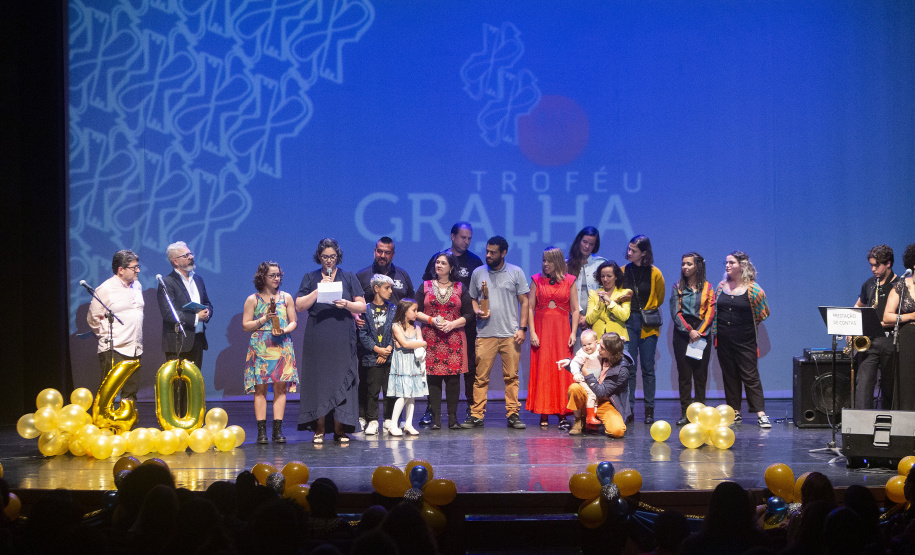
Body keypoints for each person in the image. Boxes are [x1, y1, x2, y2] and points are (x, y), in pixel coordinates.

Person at [295, 238, 366, 443]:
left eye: (332, 256)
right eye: (325, 256)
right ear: (319, 257)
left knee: (342, 375)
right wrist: (318, 290)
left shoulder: (348, 276)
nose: (328, 260)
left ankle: (339, 428)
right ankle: (319, 428)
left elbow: (362, 306)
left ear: (338, 256)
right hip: (318, 333)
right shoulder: (310, 277)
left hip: (342, 331)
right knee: (320, 380)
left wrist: (347, 304)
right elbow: (299, 305)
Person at [463, 236, 530, 430]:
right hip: (485, 333)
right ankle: (476, 415)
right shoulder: (478, 273)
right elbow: (473, 299)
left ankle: (513, 414)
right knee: (481, 377)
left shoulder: (516, 272)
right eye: (487, 251)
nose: (488, 255)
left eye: (492, 252)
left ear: (503, 253)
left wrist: (522, 328)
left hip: (510, 333)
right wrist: (476, 311)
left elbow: (524, 302)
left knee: (511, 376)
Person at [420, 221, 484, 424]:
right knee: (432, 375)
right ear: (452, 236)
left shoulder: (475, 261)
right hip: (432, 333)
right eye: (463, 237)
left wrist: (458, 321)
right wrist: (432, 319)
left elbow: (478, 294)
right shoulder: (431, 274)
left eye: (469, 238)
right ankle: (432, 411)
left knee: (466, 370)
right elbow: (419, 303)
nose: (466, 241)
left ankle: (466, 411)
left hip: (461, 328)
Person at [355, 237, 414, 430]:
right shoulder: (362, 275)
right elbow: (352, 303)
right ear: (374, 251)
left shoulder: (403, 275)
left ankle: (391, 418)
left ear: (393, 254)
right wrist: (355, 315)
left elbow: (410, 304)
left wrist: (390, 345)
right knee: (367, 383)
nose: (382, 255)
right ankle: (366, 417)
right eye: (379, 251)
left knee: (391, 385)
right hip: (369, 345)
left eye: (387, 252)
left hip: (394, 343)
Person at [712, 251, 771, 428]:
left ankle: (760, 413)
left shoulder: (754, 290)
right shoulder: (721, 286)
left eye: (732, 263)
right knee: (729, 375)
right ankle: (735, 412)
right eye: (726, 263)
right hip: (723, 339)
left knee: (750, 375)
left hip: (745, 340)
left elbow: (764, 313)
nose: (727, 265)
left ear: (743, 266)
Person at [415, 252, 473, 429]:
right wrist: (432, 320)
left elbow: (469, 314)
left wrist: (453, 324)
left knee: (453, 380)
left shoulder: (460, 288)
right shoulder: (425, 286)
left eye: (443, 263)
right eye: (437, 262)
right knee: (433, 378)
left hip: (453, 338)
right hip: (431, 338)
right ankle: (436, 419)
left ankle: (453, 419)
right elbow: (414, 311)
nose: (438, 265)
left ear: (451, 267)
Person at [242, 262, 297, 443]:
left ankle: (277, 431)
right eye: (272, 275)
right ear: (263, 277)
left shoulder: (286, 297)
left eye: (278, 275)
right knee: (261, 389)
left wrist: (284, 330)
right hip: (261, 344)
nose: (276, 279)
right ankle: (261, 432)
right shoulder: (253, 299)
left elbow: (293, 321)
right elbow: (246, 325)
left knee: (281, 389)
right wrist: (264, 318)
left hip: (282, 344)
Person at [156, 241, 213, 414]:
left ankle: (193, 422)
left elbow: (207, 303)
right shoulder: (167, 282)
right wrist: (196, 317)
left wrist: (208, 312)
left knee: (194, 385)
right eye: (186, 255)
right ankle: (178, 424)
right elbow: (168, 313)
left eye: (190, 254)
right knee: (178, 388)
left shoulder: (198, 279)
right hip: (178, 342)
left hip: (197, 339)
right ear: (175, 261)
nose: (191, 257)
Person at [527, 246, 579, 428]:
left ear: (557, 262)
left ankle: (562, 412)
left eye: (549, 260)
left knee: (562, 370)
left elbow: (575, 309)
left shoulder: (570, 281)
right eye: (543, 260)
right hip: (542, 329)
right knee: (544, 369)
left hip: (562, 329)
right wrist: (532, 332)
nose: (545, 264)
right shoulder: (536, 280)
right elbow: (530, 308)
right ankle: (544, 411)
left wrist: (573, 333)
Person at [87, 250, 145, 401]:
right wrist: (106, 334)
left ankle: (128, 422)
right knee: (108, 393)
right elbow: (93, 318)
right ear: (121, 270)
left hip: (135, 348)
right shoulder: (106, 289)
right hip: (114, 348)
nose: (138, 270)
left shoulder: (137, 286)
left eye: (138, 266)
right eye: (134, 267)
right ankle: (104, 424)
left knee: (131, 392)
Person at [622, 235, 665, 424]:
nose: (629, 253)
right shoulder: (623, 271)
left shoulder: (655, 273)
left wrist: (645, 310)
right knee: (629, 368)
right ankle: (629, 408)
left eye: (634, 250)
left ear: (644, 253)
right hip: (628, 321)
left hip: (648, 323)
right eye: (629, 249)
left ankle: (649, 410)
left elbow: (660, 297)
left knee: (648, 368)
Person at [669, 253, 715, 426]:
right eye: (683, 264)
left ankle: (701, 413)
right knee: (685, 375)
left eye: (689, 264)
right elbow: (675, 312)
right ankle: (685, 413)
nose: (685, 267)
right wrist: (689, 331)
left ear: (697, 266)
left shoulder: (708, 287)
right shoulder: (678, 286)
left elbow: (711, 312)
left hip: (702, 334)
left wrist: (699, 332)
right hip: (683, 333)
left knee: (700, 374)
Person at [851, 244, 898, 409]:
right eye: (871, 265)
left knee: (890, 386)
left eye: (876, 265)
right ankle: (861, 425)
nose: (873, 269)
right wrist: (851, 327)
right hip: (870, 341)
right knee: (863, 384)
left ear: (888, 264)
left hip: (891, 341)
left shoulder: (899, 285)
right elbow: (858, 306)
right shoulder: (869, 284)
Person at [566, 332, 630, 437]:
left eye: (602, 348)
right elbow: (582, 363)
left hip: (604, 402)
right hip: (588, 398)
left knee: (617, 431)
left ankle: (593, 418)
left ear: (610, 351)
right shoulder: (600, 355)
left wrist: (586, 373)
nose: (598, 349)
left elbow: (601, 391)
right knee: (574, 388)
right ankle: (579, 419)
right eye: (599, 345)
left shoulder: (621, 370)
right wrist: (569, 363)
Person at [357, 275, 397, 436]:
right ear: (376, 288)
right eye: (387, 288)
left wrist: (387, 349)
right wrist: (377, 350)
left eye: (391, 288)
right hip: (372, 357)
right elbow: (363, 334)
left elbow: (397, 330)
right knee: (372, 390)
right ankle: (372, 419)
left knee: (389, 389)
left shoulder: (393, 309)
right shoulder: (365, 309)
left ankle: (389, 419)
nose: (390, 291)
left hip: (389, 356)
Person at [387, 298, 429, 436]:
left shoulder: (416, 327)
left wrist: (420, 343)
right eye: (414, 310)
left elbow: (422, 343)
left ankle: (409, 424)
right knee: (402, 394)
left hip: (414, 364)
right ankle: (393, 424)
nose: (416, 313)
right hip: (402, 365)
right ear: (405, 311)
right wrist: (420, 343)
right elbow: (405, 344)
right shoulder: (396, 326)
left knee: (412, 395)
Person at [883, 243, 915, 411]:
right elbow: (887, 316)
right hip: (909, 338)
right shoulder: (901, 286)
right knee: (908, 381)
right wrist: (911, 316)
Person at [566, 227, 607, 345]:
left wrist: (589, 318)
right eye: (585, 242)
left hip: (596, 317)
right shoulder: (566, 264)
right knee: (576, 356)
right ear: (579, 241)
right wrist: (578, 314)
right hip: (572, 317)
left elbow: (606, 292)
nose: (587, 246)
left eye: (591, 244)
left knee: (595, 355)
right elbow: (564, 293)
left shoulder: (601, 263)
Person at [565, 329, 604, 429]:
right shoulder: (582, 354)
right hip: (585, 381)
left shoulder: (600, 349)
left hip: (597, 381)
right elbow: (574, 363)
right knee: (591, 395)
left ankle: (591, 420)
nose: (587, 347)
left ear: (596, 342)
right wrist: (577, 373)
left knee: (596, 399)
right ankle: (589, 417)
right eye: (584, 345)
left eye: (589, 344)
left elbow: (611, 347)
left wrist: (619, 341)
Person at [585, 260, 632, 339]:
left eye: (609, 276)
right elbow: (589, 320)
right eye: (602, 276)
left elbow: (624, 316)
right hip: (598, 340)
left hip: (618, 341)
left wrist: (610, 302)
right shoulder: (593, 294)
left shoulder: (625, 293)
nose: (605, 279)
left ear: (616, 277)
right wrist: (600, 304)